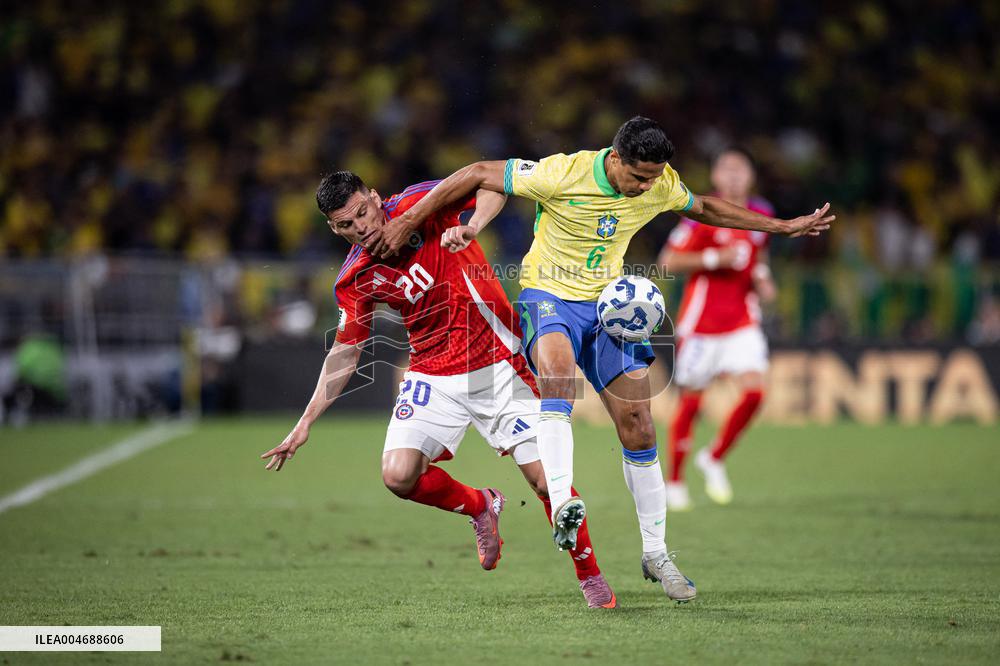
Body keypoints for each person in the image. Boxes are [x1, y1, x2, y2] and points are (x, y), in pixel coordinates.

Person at [366, 117, 834, 603]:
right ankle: (564, 501)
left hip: (607, 306)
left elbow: (705, 206)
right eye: (639, 177)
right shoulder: (562, 173)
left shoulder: (659, 182)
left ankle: (656, 552)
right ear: (615, 159)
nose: (646, 187)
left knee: (639, 423)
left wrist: (781, 227)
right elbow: (479, 171)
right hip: (547, 296)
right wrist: (406, 220)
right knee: (557, 374)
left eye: (654, 178)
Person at [260, 171, 617, 609]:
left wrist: (473, 226)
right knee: (398, 474)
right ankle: (480, 506)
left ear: (374, 197)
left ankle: (591, 577)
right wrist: (305, 423)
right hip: (431, 374)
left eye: (362, 212)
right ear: (334, 230)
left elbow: (492, 185)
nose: (362, 227)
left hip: (496, 365)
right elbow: (345, 352)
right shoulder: (356, 278)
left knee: (547, 481)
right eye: (347, 224)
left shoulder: (419, 202)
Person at [658, 148, 776, 510]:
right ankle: (675, 480)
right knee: (692, 403)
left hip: (742, 320)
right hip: (702, 324)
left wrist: (763, 278)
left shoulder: (762, 214)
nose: (735, 175)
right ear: (716, 177)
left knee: (755, 394)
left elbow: (758, 257)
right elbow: (668, 260)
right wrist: (714, 259)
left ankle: (714, 456)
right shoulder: (701, 215)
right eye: (727, 169)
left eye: (742, 168)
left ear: (751, 176)